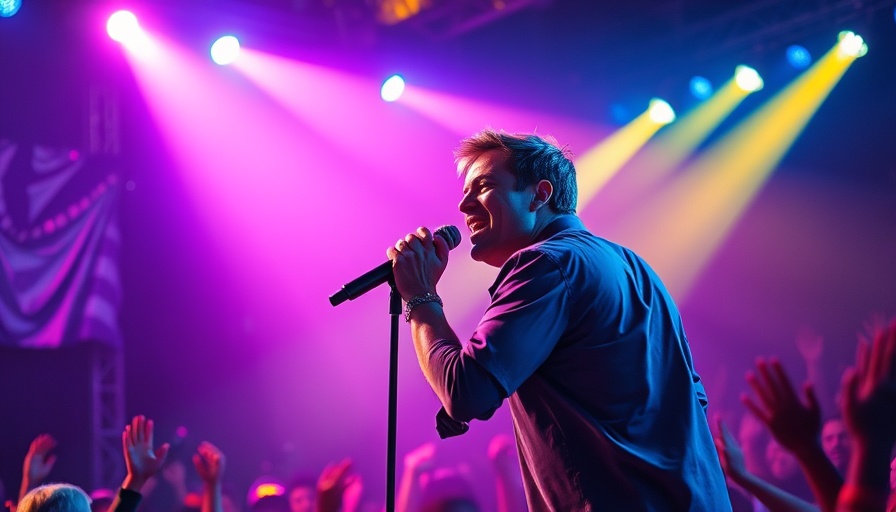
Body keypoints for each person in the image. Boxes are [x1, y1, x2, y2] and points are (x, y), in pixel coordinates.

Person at [387, 128, 731, 510]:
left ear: (540, 194)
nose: (465, 206)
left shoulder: (545, 262)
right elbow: (689, 397)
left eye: (482, 186)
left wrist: (420, 296)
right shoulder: (635, 267)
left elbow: (465, 393)